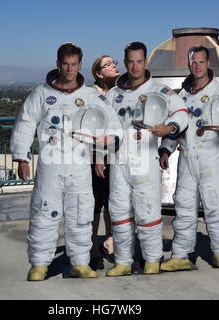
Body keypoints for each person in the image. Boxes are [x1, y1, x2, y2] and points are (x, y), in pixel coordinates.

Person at [10, 43, 122, 281]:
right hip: (50, 166)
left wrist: (109, 139)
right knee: (43, 213)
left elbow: (112, 122)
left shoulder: (90, 96)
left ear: (80, 65)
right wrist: (22, 156)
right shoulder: (41, 94)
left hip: (79, 164)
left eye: (74, 64)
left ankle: (80, 262)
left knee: (81, 213)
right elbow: (25, 123)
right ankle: (39, 264)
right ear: (58, 63)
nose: (70, 69)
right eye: (65, 64)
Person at [159, 45, 219, 272]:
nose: (197, 66)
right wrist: (166, 150)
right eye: (193, 62)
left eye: (201, 62)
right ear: (188, 65)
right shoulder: (182, 96)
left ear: (208, 63)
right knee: (184, 205)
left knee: (215, 204)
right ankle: (180, 254)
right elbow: (175, 128)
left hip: (210, 156)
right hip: (187, 157)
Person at [105, 42, 189, 276]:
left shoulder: (160, 90)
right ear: (125, 62)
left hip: (146, 160)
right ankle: (123, 261)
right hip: (118, 161)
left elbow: (182, 113)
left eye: (139, 61)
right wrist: (102, 156)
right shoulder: (114, 94)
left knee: (147, 212)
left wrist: (170, 128)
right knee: (119, 213)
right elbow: (104, 126)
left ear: (146, 62)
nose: (135, 66)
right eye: (131, 61)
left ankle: (152, 259)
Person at [89, 55, 120, 270]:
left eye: (114, 62)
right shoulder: (91, 96)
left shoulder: (120, 94)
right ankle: (92, 246)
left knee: (113, 202)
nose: (114, 65)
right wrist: (98, 156)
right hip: (95, 156)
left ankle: (111, 240)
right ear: (98, 73)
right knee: (95, 203)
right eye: (107, 64)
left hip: (118, 156)